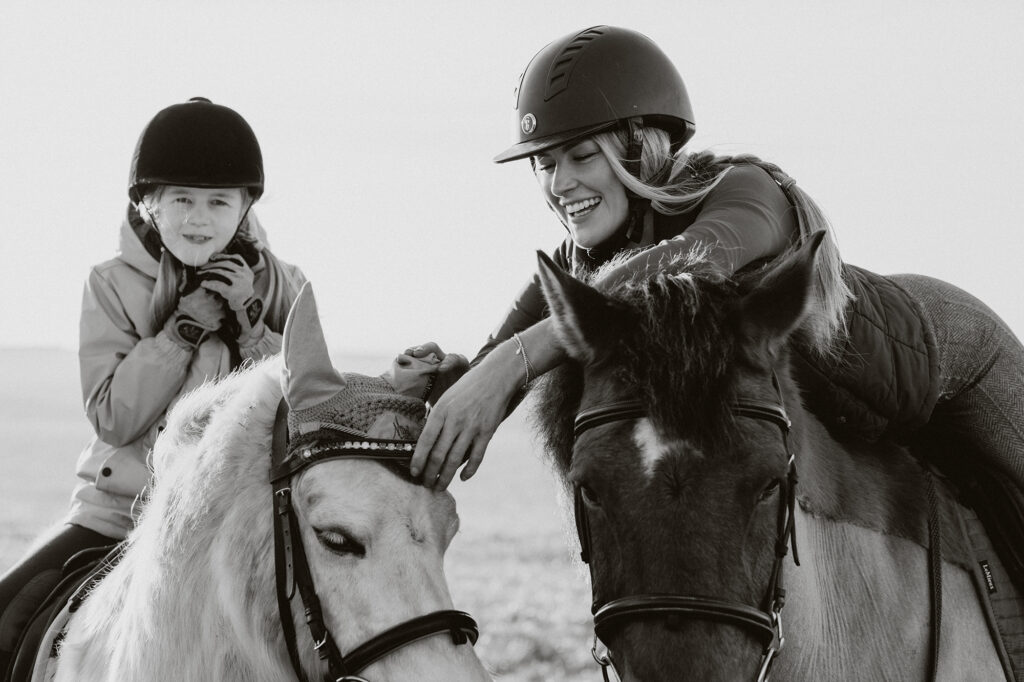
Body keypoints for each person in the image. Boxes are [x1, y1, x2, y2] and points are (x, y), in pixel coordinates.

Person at [407, 24, 1024, 513]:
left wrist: (517, 357)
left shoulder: (744, 190)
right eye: (543, 163)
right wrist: (438, 384)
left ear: (641, 142)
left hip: (954, 357)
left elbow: (690, 265)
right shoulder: (583, 267)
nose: (559, 183)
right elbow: (500, 365)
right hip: (862, 422)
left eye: (580, 156)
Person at [0, 97, 306, 672]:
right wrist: (180, 332)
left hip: (242, 518)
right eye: (181, 200)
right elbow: (113, 418)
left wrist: (252, 324)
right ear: (148, 204)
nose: (198, 218)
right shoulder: (110, 284)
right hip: (116, 515)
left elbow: (303, 401)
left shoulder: (288, 285)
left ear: (245, 207)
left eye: (218, 201)